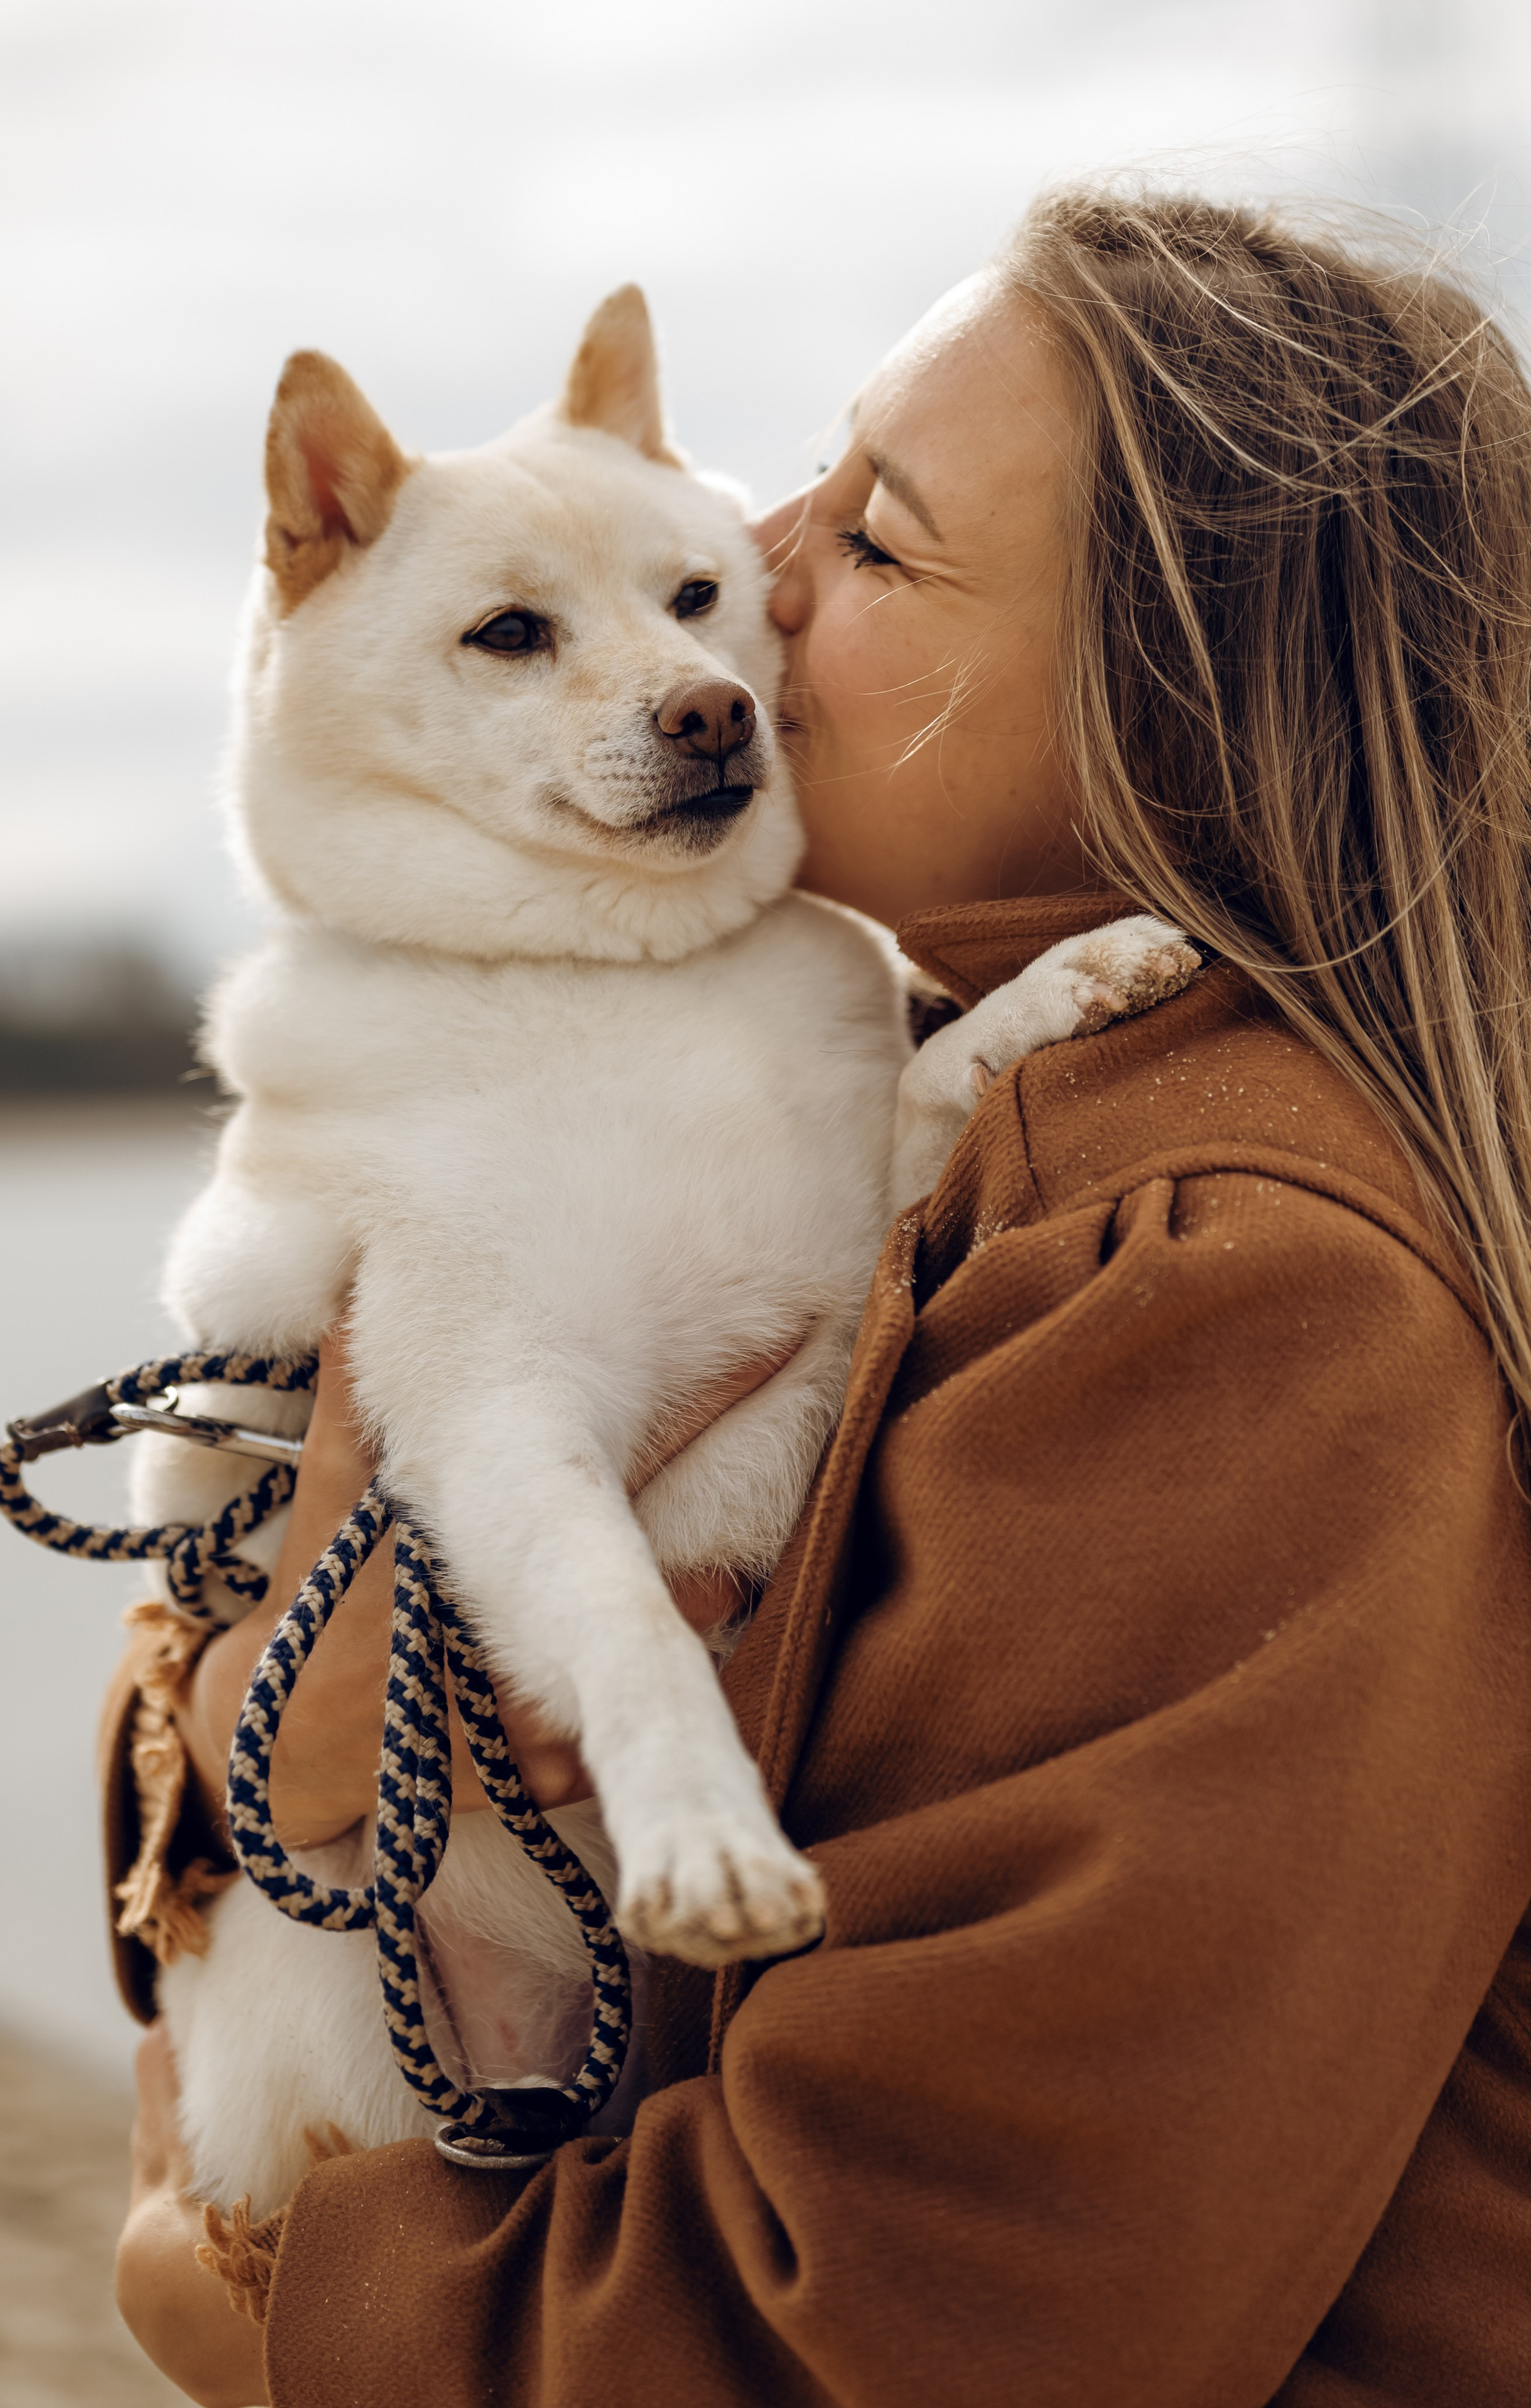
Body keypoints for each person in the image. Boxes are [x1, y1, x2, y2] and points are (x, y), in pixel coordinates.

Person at [111, 184, 1531, 2405]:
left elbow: (938, 2319)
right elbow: (247, 1683)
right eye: (807, 478)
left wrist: (257, 2292)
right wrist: (275, 1701)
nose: (747, 566)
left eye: (873, 539)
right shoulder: (944, 1104)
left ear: (1164, 697)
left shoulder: (1236, 1281)